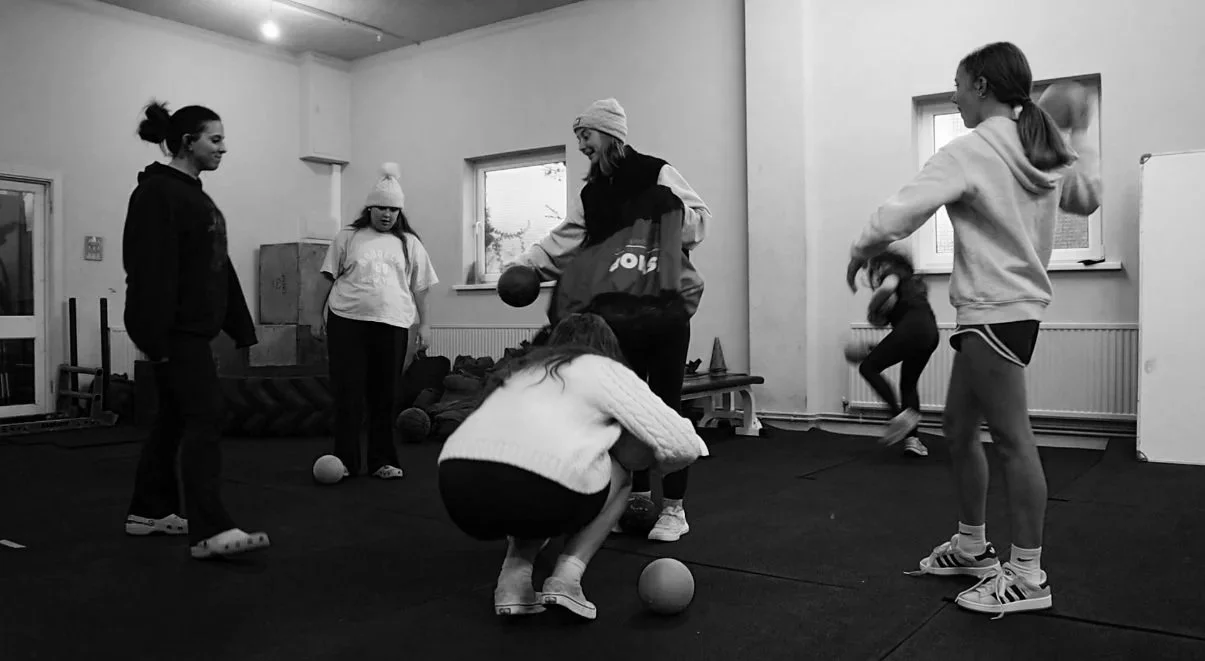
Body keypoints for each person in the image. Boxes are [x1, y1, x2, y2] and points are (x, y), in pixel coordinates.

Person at [846, 42, 1101, 617]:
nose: (956, 97)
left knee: (1012, 440)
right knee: (959, 428)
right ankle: (971, 547)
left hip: (995, 310)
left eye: (959, 86)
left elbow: (899, 213)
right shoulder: (1043, 147)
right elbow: (1088, 200)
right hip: (1001, 312)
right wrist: (1080, 136)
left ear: (982, 86)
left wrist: (861, 247)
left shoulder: (973, 149)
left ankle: (1028, 576)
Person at [513, 98, 711, 543]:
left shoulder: (657, 172)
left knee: (665, 406)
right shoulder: (592, 193)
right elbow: (565, 240)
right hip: (616, 315)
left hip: (664, 312)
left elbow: (699, 222)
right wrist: (525, 264)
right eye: (579, 135)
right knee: (623, 410)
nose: (581, 143)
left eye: (586, 134)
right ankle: (637, 497)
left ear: (611, 134)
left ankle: (674, 508)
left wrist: (671, 219)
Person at [437, 313, 709, 620]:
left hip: (464, 494)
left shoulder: (521, 369)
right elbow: (682, 444)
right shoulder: (602, 372)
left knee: (532, 473)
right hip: (534, 486)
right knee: (620, 474)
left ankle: (513, 582)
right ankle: (566, 579)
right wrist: (655, 462)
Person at [122, 100, 270, 560]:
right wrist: (153, 338)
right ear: (188, 142)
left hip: (191, 332)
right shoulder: (157, 194)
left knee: (174, 419)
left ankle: (148, 511)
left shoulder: (195, 195)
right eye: (216, 139)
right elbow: (146, 269)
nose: (224, 149)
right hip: (175, 332)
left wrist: (239, 327)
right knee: (206, 416)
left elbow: (218, 267)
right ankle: (210, 529)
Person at [316, 163, 438, 480]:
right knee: (349, 393)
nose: (387, 215)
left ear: (400, 212)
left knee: (385, 394)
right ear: (370, 207)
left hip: (393, 323)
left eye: (393, 210)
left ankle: (382, 460)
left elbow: (421, 288)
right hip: (348, 321)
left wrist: (424, 324)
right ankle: (346, 461)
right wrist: (316, 316)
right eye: (381, 208)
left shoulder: (410, 243)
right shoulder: (348, 237)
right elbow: (326, 278)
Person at [856, 249, 939, 456]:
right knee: (908, 384)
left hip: (911, 330)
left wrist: (871, 309)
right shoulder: (914, 284)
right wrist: (873, 347)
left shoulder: (893, 274)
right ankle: (913, 441)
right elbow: (890, 326)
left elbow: (886, 289)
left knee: (868, 367)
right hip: (929, 332)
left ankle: (898, 416)